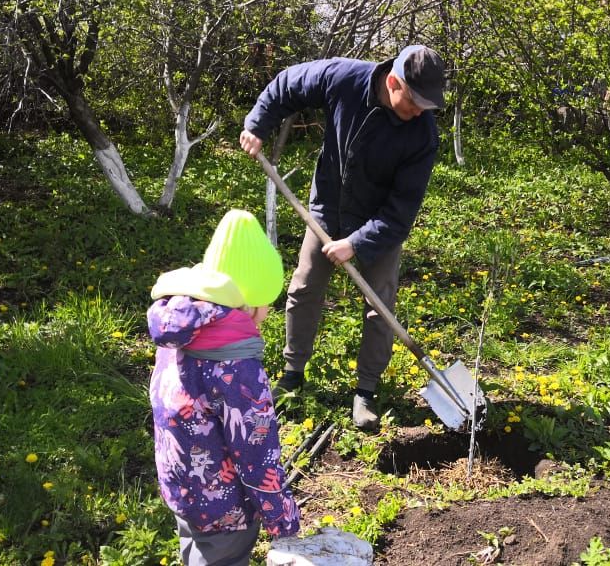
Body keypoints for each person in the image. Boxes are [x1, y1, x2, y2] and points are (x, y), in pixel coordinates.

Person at [239, 45, 446, 431]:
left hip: (378, 223)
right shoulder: (343, 78)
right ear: (392, 81)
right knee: (303, 287)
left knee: (379, 302)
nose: (420, 111)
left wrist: (358, 242)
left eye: (427, 105)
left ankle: (365, 390)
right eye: (415, 101)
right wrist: (257, 124)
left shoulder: (423, 136)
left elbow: (401, 211)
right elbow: (287, 85)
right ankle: (292, 374)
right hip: (327, 208)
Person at [147, 209, 300, 566]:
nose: (266, 316)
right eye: (266, 307)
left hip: (181, 485)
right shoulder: (237, 366)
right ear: (250, 303)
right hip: (224, 507)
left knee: (195, 549)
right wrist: (283, 520)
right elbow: (256, 453)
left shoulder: (180, 332)